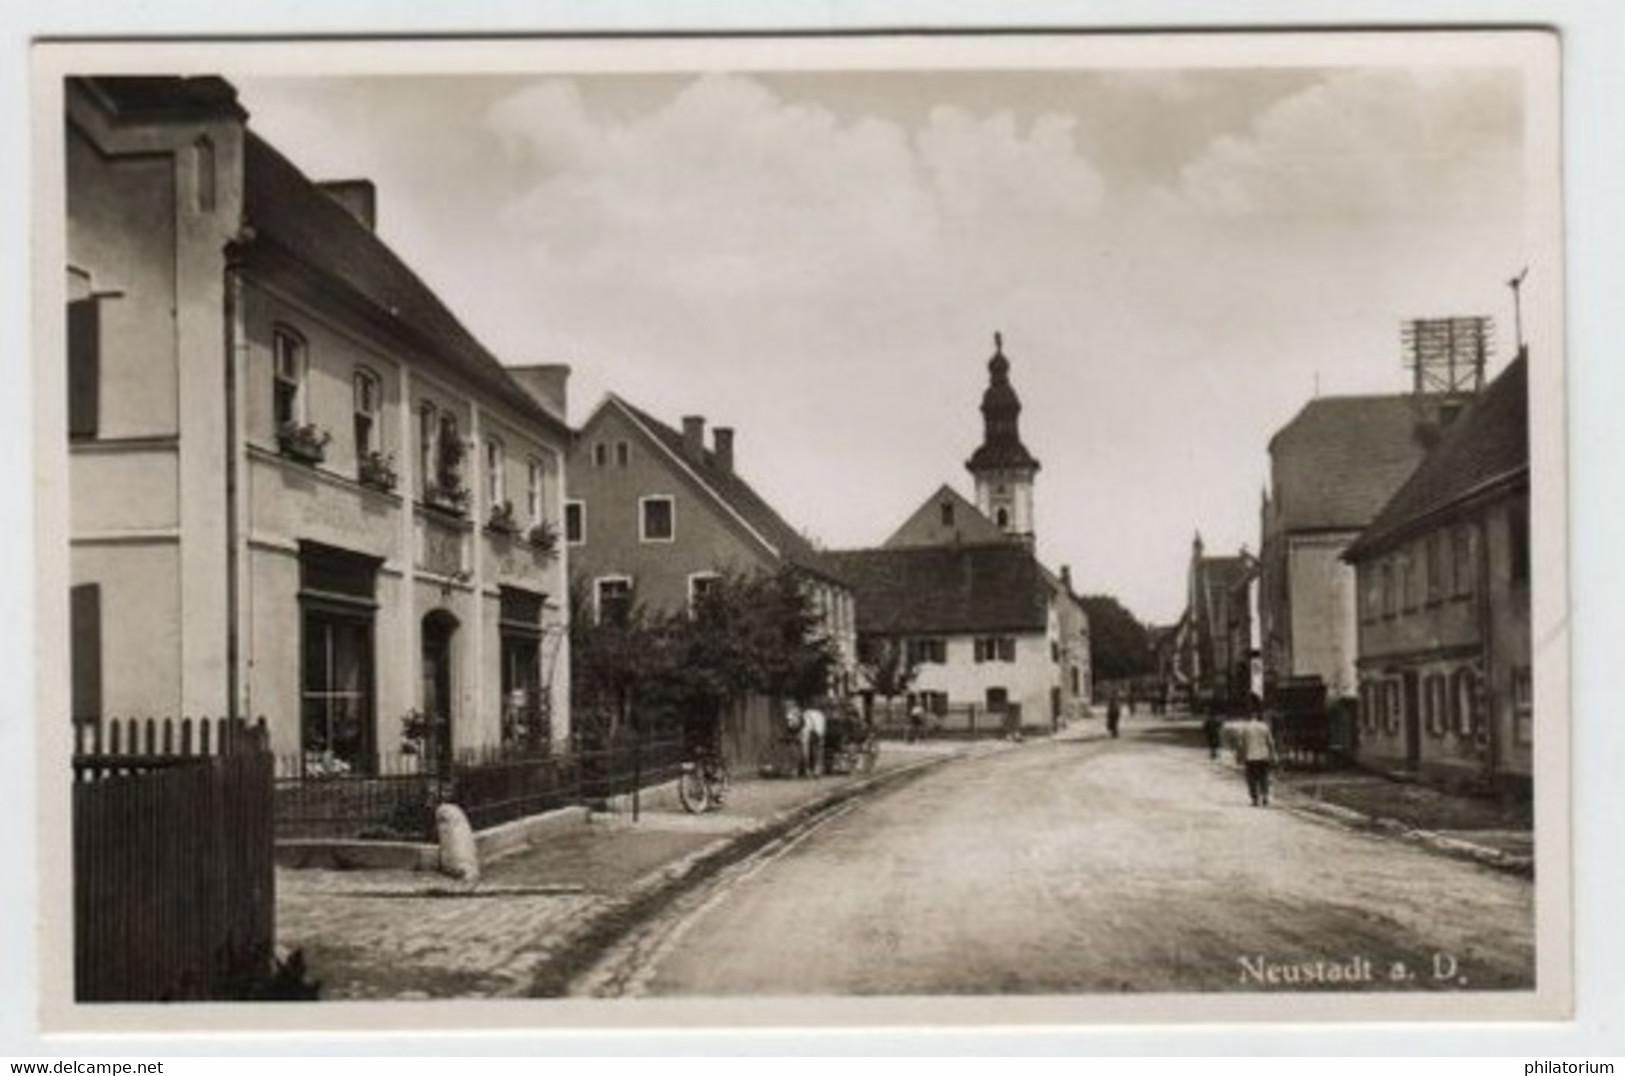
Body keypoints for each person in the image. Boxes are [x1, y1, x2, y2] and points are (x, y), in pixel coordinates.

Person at [1237, 711, 1279, 806]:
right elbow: (1270, 742)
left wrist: (1240, 756)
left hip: (1250, 757)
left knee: (1251, 778)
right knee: (1263, 777)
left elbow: (1241, 744)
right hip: (1264, 756)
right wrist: (1273, 754)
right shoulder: (1264, 727)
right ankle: (1265, 796)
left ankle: (1255, 798)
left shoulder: (1245, 728)